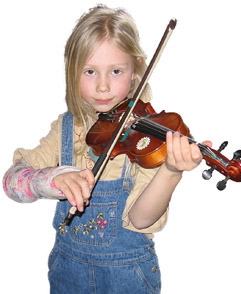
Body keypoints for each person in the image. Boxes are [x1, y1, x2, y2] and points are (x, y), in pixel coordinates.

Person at [2, 5, 211, 294]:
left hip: (128, 278)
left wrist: (171, 171)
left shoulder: (142, 138)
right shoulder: (66, 129)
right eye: (90, 71)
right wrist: (52, 178)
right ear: (72, 72)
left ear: (136, 71)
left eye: (115, 71)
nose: (102, 86)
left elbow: (140, 219)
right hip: (67, 276)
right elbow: (12, 183)